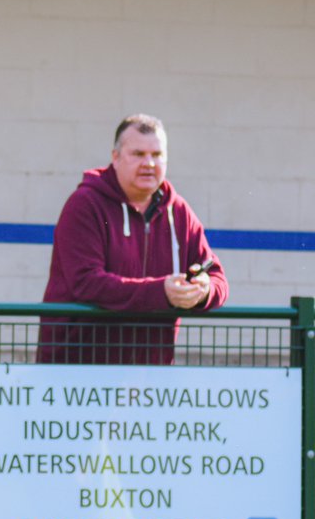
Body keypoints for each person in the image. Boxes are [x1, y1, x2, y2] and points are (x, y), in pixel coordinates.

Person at [38, 114, 228, 365]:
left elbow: (216, 276)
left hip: (151, 377)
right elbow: (86, 283)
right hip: (77, 373)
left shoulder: (179, 211)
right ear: (115, 158)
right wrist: (161, 292)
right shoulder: (85, 205)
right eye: (138, 154)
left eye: (157, 155)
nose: (149, 163)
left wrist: (203, 290)